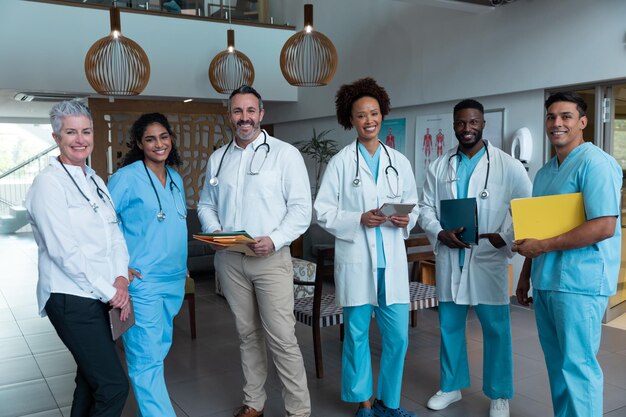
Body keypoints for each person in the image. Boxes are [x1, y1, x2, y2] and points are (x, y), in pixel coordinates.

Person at [197, 85, 311, 417]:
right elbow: (206, 203)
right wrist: (215, 231)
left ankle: (299, 411)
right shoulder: (218, 159)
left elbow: (301, 210)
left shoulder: (284, 154)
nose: (244, 118)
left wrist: (274, 239)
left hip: (270, 259)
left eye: (250, 111)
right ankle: (254, 403)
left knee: (282, 339)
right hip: (230, 260)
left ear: (261, 114)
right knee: (246, 334)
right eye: (237, 111)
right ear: (229, 114)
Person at [418, 99, 532, 417]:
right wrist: (439, 232)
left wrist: (506, 237)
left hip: (488, 258)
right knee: (449, 326)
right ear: (453, 125)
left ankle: (499, 394)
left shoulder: (507, 165)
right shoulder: (438, 166)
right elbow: (425, 207)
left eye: (473, 122)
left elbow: (525, 205)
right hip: (451, 257)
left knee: (496, 328)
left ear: (483, 124)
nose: (466, 129)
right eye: (460, 123)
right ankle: (451, 386)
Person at [315, 77, 419, 417]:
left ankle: (390, 402)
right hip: (358, 262)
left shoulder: (398, 162)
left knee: (398, 339)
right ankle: (365, 403)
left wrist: (407, 219)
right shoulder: (342, 162)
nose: (369, 120)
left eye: (374, 113)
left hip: (391, 265)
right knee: (357, 337)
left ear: (382, 114)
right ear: (351, 119)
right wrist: (358, 218)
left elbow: (413, 205)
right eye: (361, 115)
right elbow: (323, 210)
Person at [514, 92, 622, 417]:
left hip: (580, 283)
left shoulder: (596, 163)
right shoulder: (545, 173)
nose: (557, 123)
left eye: (566, 116)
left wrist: (542, 248)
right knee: (558, 367)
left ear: (582, 122)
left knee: (579, 367)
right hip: (546, 282)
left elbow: (604, 225)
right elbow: (536, 230)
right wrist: (524, 274)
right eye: (551, 117)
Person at [25, 100, 130, 417]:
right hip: (70, 297)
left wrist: (121, 277)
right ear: (56, 137)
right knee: (113, 387)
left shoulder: (95, 179)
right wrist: (111, 291)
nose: (80, 139)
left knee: (89, 381)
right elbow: (63, 251)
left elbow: (114, 233)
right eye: (71, 132)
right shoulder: (48, 183)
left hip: (99, 293)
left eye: (86, 131)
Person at [107, 113, 187, 417]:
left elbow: (173, 227)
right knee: (146, 361)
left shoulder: (175, 179)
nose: (159, 144)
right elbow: (103, 224)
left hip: (173, 280)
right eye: (150, 139)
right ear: (139, 144)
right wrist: (119, 267)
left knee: (157, 353)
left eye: (164, 137)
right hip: (144, 284)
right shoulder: (126, 178)